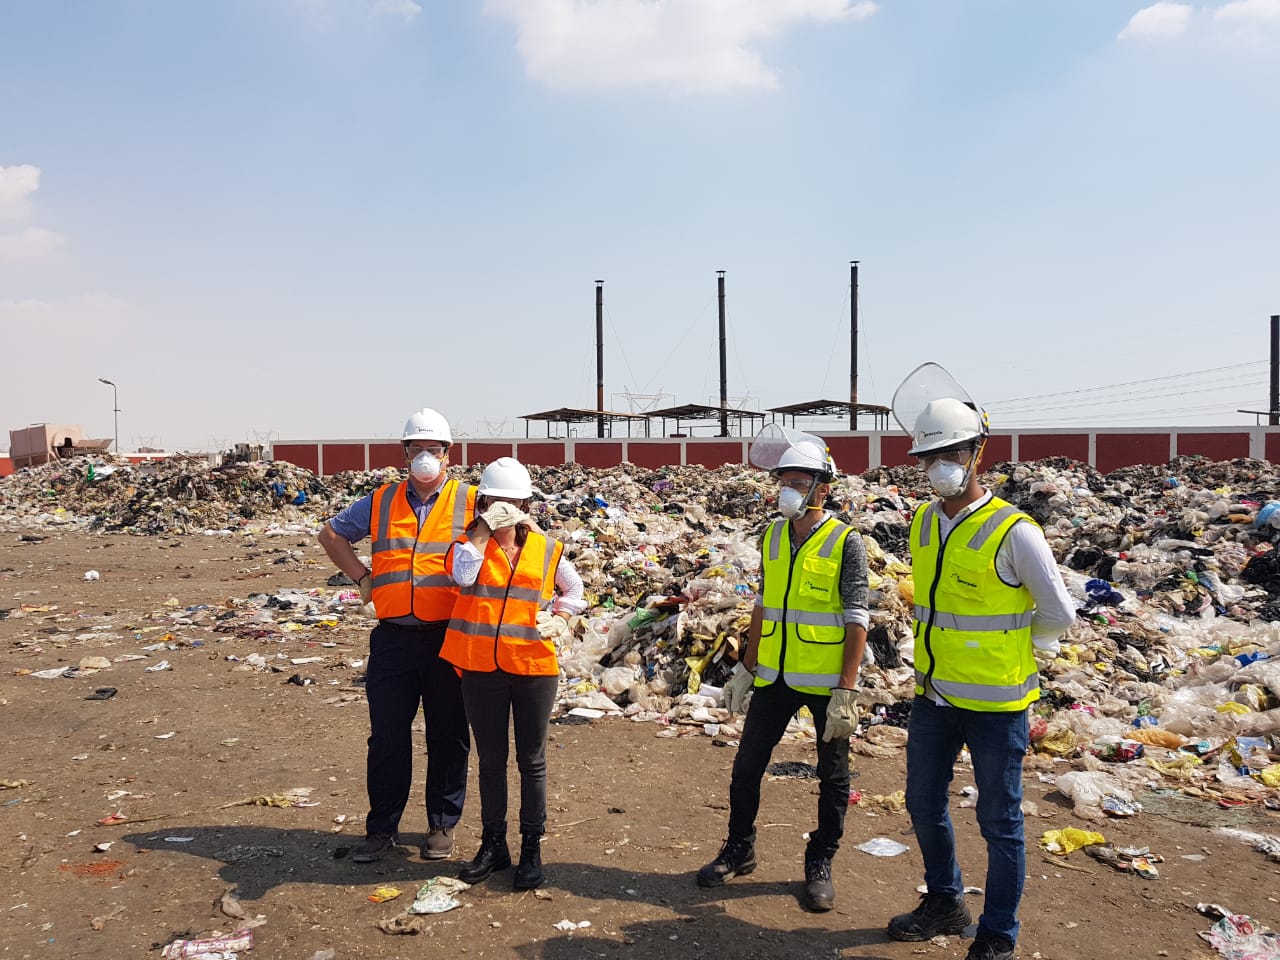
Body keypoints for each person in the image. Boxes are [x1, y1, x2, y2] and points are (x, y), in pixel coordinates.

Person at [885, 384, 1075, 960]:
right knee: (922, 803)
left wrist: (1025, 646)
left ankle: (998, 932)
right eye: (929, 458)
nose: (939, 467)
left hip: (998, 705)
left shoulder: (1015, 530)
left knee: (1000, 821)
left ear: (977, 454)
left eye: (952, 454)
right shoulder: (921, 523)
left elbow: (1059, 612)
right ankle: (946, 901)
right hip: (934, 697)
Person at [697, 429, 869, 912]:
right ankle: (740, 848)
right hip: (773, 677)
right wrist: (746, 669)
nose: (788, 490)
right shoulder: (772, 533)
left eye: (799, 481)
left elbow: (857, 618)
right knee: (746, 766)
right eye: (783, 481)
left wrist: (847, 691)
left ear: (824, 487)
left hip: (825, 683)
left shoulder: (845, 541)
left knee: (833, 776)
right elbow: (762, 604)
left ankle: (820, 862)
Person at [317, 408, 476, 863]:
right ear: (404, 453)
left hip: (449, 636)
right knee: (387, 736)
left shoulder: (470, 502)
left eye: (435, 449)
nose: (426, 457)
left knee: (449, 735)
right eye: (417, 449)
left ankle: (442, 826)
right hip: (393, 639)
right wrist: (362, 579)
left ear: (449, 454)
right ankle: (381, 829)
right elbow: (331, 536)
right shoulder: (381, 501)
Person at [439, 457, 587, 890]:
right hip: (482, 667)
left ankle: (531, 848)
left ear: (525, 504)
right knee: (490, 761)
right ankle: (493, 844)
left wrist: (562, 615)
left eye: (511, 501)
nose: (503, 507)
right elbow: (462, 578)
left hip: (534, 668)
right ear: (481, 501)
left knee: (532, 761)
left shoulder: (546, 549)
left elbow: (574, 590)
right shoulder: (467, 546)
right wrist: (483, 532)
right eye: (494, 500)